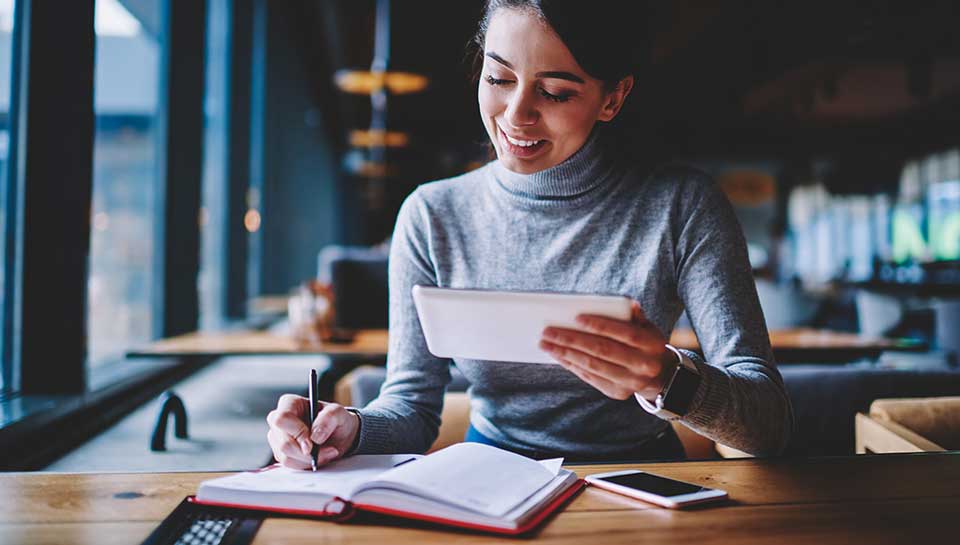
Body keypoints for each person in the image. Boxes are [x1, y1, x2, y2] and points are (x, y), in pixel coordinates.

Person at [266, 0, 794, 468]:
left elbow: (768, 424)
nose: (516, 115)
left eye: (556, 92)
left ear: (613, 98)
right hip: (490, 482)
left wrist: (667, 378)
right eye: (498, 79)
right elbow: (411, 405)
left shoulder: (681, 206)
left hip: (640, 482)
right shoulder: (432, 214)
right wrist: (348, 431)